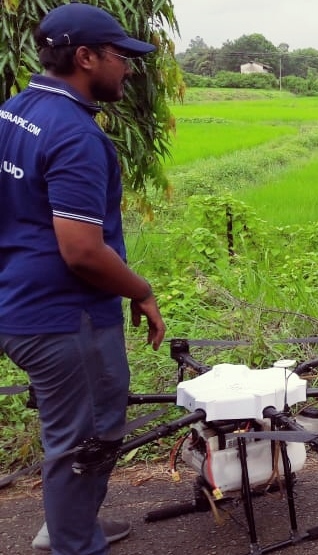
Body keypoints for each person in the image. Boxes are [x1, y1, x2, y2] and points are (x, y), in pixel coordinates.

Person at [0, 3, 166, 554]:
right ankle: (75, 543)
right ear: (86, 57)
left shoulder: (14, 112)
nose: (128, 69)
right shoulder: (76, 136)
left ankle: (72, 527)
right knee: (90, 439)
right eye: (121, 56)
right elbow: (82, 252)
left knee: (69, 432)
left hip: (21, 303)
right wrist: (141, 291)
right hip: (63, 318)